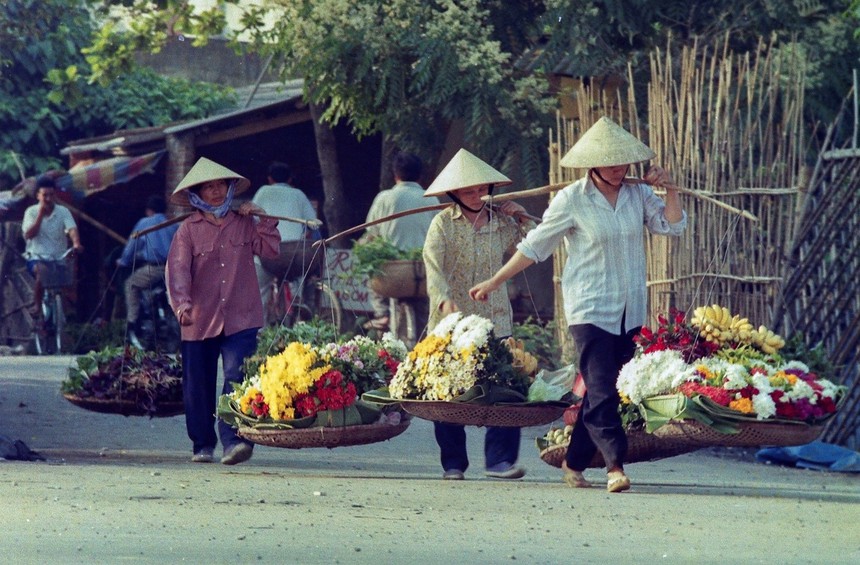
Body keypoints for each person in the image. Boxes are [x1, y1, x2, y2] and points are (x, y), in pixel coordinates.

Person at [469, 116, 687, 493]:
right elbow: (534, 246)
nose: (619, 170)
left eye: (624, 163)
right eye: (611, 163)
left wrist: (669, 191)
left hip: (629, 309)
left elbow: (672, 227)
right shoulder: (572, 199)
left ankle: (574, 461)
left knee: (611, 391)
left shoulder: (637, 195)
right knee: (602, 387)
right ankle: (614, 466)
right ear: (593, 165)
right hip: (589, 308)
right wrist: (494, 281)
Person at [422, 148, 534, 481]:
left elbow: (532, 247)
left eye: (480, 189)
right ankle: (453, 463)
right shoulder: (442, 224)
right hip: (453, 321)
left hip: (495, 316)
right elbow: (432, 266)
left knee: (505, 388)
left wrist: (522, 217)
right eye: (468, 190)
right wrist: (443, 302)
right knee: (449, 393)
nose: (476, 195)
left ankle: (499, 460)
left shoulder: (501, 221)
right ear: (454, 194)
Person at [166, 157, 280, 465]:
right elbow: (177, 271)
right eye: (208, 187)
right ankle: (202, 444)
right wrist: (182, 305)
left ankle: (235, 441)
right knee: (198, 385)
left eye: (220, 185)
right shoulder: (188, 230)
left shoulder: (243, 222)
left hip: (241, 317)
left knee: (237, 376)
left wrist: (263, 219)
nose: (216, 192)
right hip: (199, 318)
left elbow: (270, 252)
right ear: (197, 194)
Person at [362, 152, 439, 331]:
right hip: (421, 271)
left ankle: (382, 314)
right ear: (420, 176)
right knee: (423, 311)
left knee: (366, 259)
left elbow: (371, 234)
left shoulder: (384, 198)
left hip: (392, 272)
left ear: (395, 174)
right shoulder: (431, 198)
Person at [251, 161, 319, 324]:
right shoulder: (299, 194)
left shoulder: (263, 192)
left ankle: (260, 332)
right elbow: (313, 224)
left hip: (268, 255)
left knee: (261, 290)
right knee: (298, 279)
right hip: (294, 254)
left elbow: (252, 221)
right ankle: (298, 306)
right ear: (290, 180)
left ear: (269, 179)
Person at [116, 195, 178, 348]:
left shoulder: (144, 222)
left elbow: (132, 245)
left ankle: (132, 323)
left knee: (131, 284)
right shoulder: (173, 224)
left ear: (149, 211)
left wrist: (123, 261)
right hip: (175, 269)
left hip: (155, 268)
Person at [21, 175, 83, 317]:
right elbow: (29, 234)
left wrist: (76, 243)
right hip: (36, 257)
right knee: (41, 273)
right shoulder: (31, 212)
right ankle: (37, 305)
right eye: (45, 195)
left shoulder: (63, 211)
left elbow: (72, 229)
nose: (48, 199)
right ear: (38, 195)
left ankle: (63, 310)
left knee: (70, 264)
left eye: (51, 195)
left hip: (58, 257)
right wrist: (40, 216)